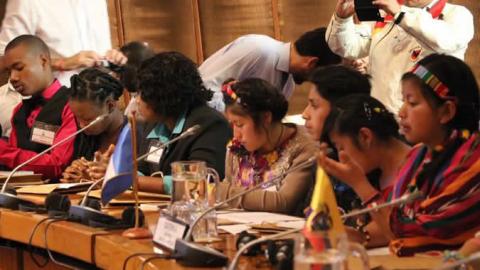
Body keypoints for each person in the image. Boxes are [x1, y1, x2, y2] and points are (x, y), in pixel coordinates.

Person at [319, 54, 480, 255]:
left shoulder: (471, 164)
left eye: (412, 103)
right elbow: (394, 225)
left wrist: (360, 184)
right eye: (403, 100)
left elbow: (408, 232)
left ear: (446, 111)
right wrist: (360, 235)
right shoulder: (419, 156)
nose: (402, 112)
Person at [326, 0, 474, 114]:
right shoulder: (387, 12)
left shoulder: (457, 14)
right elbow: (349, 48)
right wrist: (342, 19)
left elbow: (444, 41)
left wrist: (400, 13)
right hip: (380, 116)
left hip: (425, 121)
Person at [320, 94, 411, 247]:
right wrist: (357, 236)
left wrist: (359, 183)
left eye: (341, 147)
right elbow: (380, 230)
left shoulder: (418, 168)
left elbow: (399, 230)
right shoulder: (376, 172)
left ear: (365, 136)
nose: (340, 156)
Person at [216, 78, 316, 214]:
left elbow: (283, 202)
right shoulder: (237, 148)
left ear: (266, 118)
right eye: (232, 124)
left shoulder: (302, 148)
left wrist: (224, 192)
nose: (236, 135)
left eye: (239, 125)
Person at [136, 52, 232, 194]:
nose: (137, 101)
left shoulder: (209, 124)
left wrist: (139, 182)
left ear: (162, 95)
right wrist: (116, 174)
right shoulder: (155, 124)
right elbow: (143, 170)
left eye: (141, 93)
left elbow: (203, 181)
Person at [199, 27, 342, 111]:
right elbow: (202, 88)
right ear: (312, 63)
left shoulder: (289, 83)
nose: (311, 82)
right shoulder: (258, 49)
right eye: (317, 76)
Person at [0, 35, 77, 179]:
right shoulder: (18, 111)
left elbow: (58, 164)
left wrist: (3, 152)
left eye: (19, 68)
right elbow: (14, 171)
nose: (12, 77)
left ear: (43, 61)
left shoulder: (71, 104)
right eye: (9, 71)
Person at [0, 0, 127, 86]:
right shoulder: (28, 2)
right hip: (54, 109)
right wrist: (62, 63)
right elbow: (3, 59)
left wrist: (111, 58)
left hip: (102, 101)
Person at [61, 68, 126, 183]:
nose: (81, 125)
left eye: (87, 119)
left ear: (110, 106)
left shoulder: (135, 134)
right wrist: (77, 174)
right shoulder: (86, 135)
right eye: (77, 118)